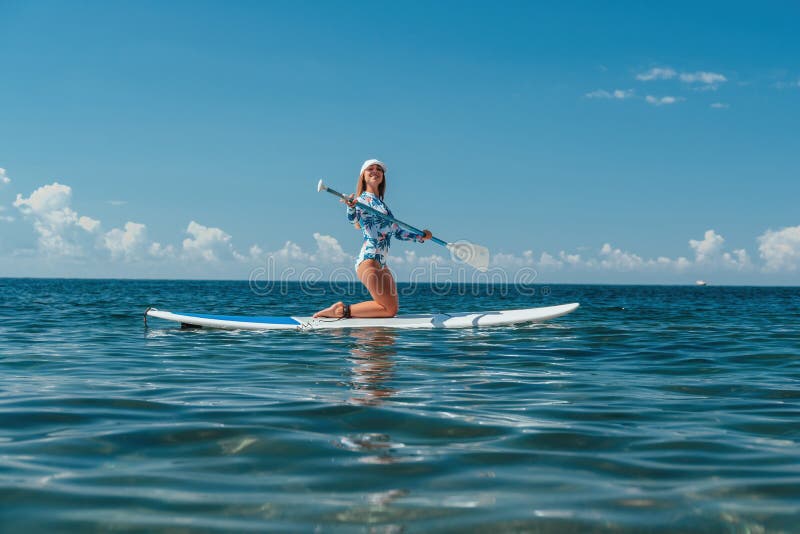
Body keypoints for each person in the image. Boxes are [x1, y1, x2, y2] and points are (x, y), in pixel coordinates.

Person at [313, 159, 432, 318]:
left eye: (379, 169)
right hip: (368, 261)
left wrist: (421, 236)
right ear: (363, 175)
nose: (375, 171)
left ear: (383, 176)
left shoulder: (383, 207)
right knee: (388, 310)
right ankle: (340, 310)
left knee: (391, 310)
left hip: (383, 265)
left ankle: (373, 337)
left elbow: (397, 232)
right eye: (371, 168)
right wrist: (350, 207)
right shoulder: (361, 200)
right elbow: (354, 221)